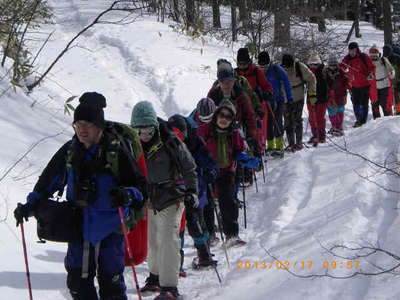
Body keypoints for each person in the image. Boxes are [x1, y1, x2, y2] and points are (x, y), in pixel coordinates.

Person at [14, 92, 147, 300]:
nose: (82, 130)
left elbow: (140, 187)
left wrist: (127, 195)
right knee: (77, 284)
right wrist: (29, 207)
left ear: (99, 127)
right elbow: (47, 183)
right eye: (78, 124)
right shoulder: (70, 151)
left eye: (88, 124)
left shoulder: (116, 151)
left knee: (111, 285)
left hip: (111, 226)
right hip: (78, 225)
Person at [131, 101, 197, 300]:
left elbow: (189, 167)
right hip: (148, 199)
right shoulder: (132, 144)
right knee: (152, 240)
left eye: (148, 130)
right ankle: (154, 276)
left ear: (154, 126)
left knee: (168, 240)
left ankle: (169, 287)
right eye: (139, 131)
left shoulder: (170, 140)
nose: (144, 136)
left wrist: (192, 191)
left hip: (171, 195)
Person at [168, 114, 218, 268]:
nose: (179, 137)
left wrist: (210, 172)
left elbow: (210, 162)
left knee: (196, 223)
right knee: (179, 228)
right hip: (175, 192)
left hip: (196, 189)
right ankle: (178, 263)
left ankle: (204, 254)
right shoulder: (167, 144)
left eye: (181, 133)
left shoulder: (195, 142)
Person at [198, 100, 246, 247]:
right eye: (222, 115)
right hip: (208, 171)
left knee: (229, 202)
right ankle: (210, 235)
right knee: (207, 205)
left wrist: (243, 157)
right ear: (216, 115)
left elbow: (239, 149)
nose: (224, 119)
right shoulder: (205, 130)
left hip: (227, 171)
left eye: (228, 117)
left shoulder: (235, 133)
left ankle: (232, 234)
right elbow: (196, 148)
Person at [258, 50, 293, 155]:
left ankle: (279, 146)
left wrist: (290, 98)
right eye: (261, 66)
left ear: (269, 63)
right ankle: (271, 146)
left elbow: (287, 83)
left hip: (278, 100)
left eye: (265, 66)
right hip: (266, 102)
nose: (263, 69)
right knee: (268, 124)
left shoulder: (276, 69)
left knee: (278, 122)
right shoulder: (257, 71)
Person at [281, 53, 317, 150]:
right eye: (285, 67)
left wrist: (312, 94)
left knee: (297, 120)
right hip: (285, 99)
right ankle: (291, 143)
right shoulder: (280, 69)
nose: (287, 69)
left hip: (298, 97)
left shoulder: (299, 67)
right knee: (288, 122)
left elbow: (312, 78)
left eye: (289, 66)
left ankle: (299, 142)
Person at [342, 41, 375, 127]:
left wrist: (370, 74)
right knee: (356, 103)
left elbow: (371, 67)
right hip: (353, 85)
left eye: (353, 50)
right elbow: (342, 66)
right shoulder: (347, 58)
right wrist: (342, 68)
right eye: (350, 50)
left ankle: (363, 120)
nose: (352, 52)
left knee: (363, 103)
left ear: (357, 49)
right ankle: (358, 119)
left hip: (365, 84)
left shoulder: (363, 57)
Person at [306, 52, 329, 145]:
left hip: (322, 99)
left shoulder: (323, 71)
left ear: (319, 63)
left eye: (315, 64)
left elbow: (328, 85)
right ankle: (315, 135)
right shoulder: (307, 72)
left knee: (319, 118)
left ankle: (321, 136)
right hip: (310, 99)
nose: (313, 66)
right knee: (312, 118)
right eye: (311, 64)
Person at [326, 55, 351, 136]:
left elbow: (347, 81)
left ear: (337, 65)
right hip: (330, 95)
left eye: (334, 65)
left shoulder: (341, 72)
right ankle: (335, 126)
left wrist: (348, 84)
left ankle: (339, 127)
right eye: (331, 65)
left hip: (340, 95)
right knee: (331, 111)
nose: (332, 67)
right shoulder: (325, 73)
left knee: (340, 110)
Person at [369, 45, 395, 119]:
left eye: (375, 55)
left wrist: (391, 74)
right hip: (373, 87)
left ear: (378, 54)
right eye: (372, 55)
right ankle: (377, 122)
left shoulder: (383, 60)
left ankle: (388, 120)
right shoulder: (368, 62)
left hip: (384, 85)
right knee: (374, 104)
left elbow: (391, 69)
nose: (373, 57)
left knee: (385, 104)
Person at [383, 45, 400, 115]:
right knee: (389, 100)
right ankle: (390, 113)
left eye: (387, 52)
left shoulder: (397, 58)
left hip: (397, 82)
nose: (386, 54)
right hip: (387, 84)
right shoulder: (383, 59)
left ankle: (398, 112)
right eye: (385, 52)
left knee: (397, 99)